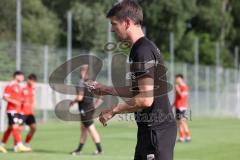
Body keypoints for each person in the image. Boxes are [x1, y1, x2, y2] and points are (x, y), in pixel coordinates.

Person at [88, 1, 177, 159]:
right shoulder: (141, 48)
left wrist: (114, 110)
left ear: (127, 22)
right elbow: (140, 91)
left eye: (114, 24)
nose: (112, 29)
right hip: (151, 130)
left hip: (155, 131)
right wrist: (107, 89)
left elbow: (145, 99)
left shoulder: (142, 51)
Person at [70, 65, 103, 156]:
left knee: (91, 128)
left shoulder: (81, 82)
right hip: (89, 108)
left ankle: (99, 150)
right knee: (83, 129)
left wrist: (72, 101)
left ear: (84, 72)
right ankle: (79, 150)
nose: (80, 72)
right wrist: (95, 105)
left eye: (82, 70)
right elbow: (101, 94)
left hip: (85, 109)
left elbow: (80, 97)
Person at [0, 71, 31, 153]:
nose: (23, 78)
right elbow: (5, 97)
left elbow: (19, 98)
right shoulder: (11, 85)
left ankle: (1, 145)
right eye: (21, 76)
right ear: (16, 76)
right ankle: (19, 145)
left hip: (17, 111)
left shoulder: (19, 86)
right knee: (15, 127)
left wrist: (23, 102)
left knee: (10, 128)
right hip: (11, 110)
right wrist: (15, 102)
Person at [20, 74, 37, 149]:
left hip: (29, 112)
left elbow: (33, 100)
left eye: (34, 81)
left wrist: (32, 109)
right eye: (32, 81)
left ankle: (26, 143)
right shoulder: (23, 88)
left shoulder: (33, 89)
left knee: (33, 128)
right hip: (22, 112)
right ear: (29, 80)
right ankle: (17, 145)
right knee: (18, 129)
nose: (33, 82)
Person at [173, 74, 191, 142]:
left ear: (181, 79)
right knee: (179, 122)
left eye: (177, 78)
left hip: (182, 107)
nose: (176, 80)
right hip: (177, 106)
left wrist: (178, 90)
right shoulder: (178, 87)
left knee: (182, 121)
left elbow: (182, 96)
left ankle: (188, 137)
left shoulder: (184, 87)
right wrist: (172, 104)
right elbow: (176, 98)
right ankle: (181, 137)